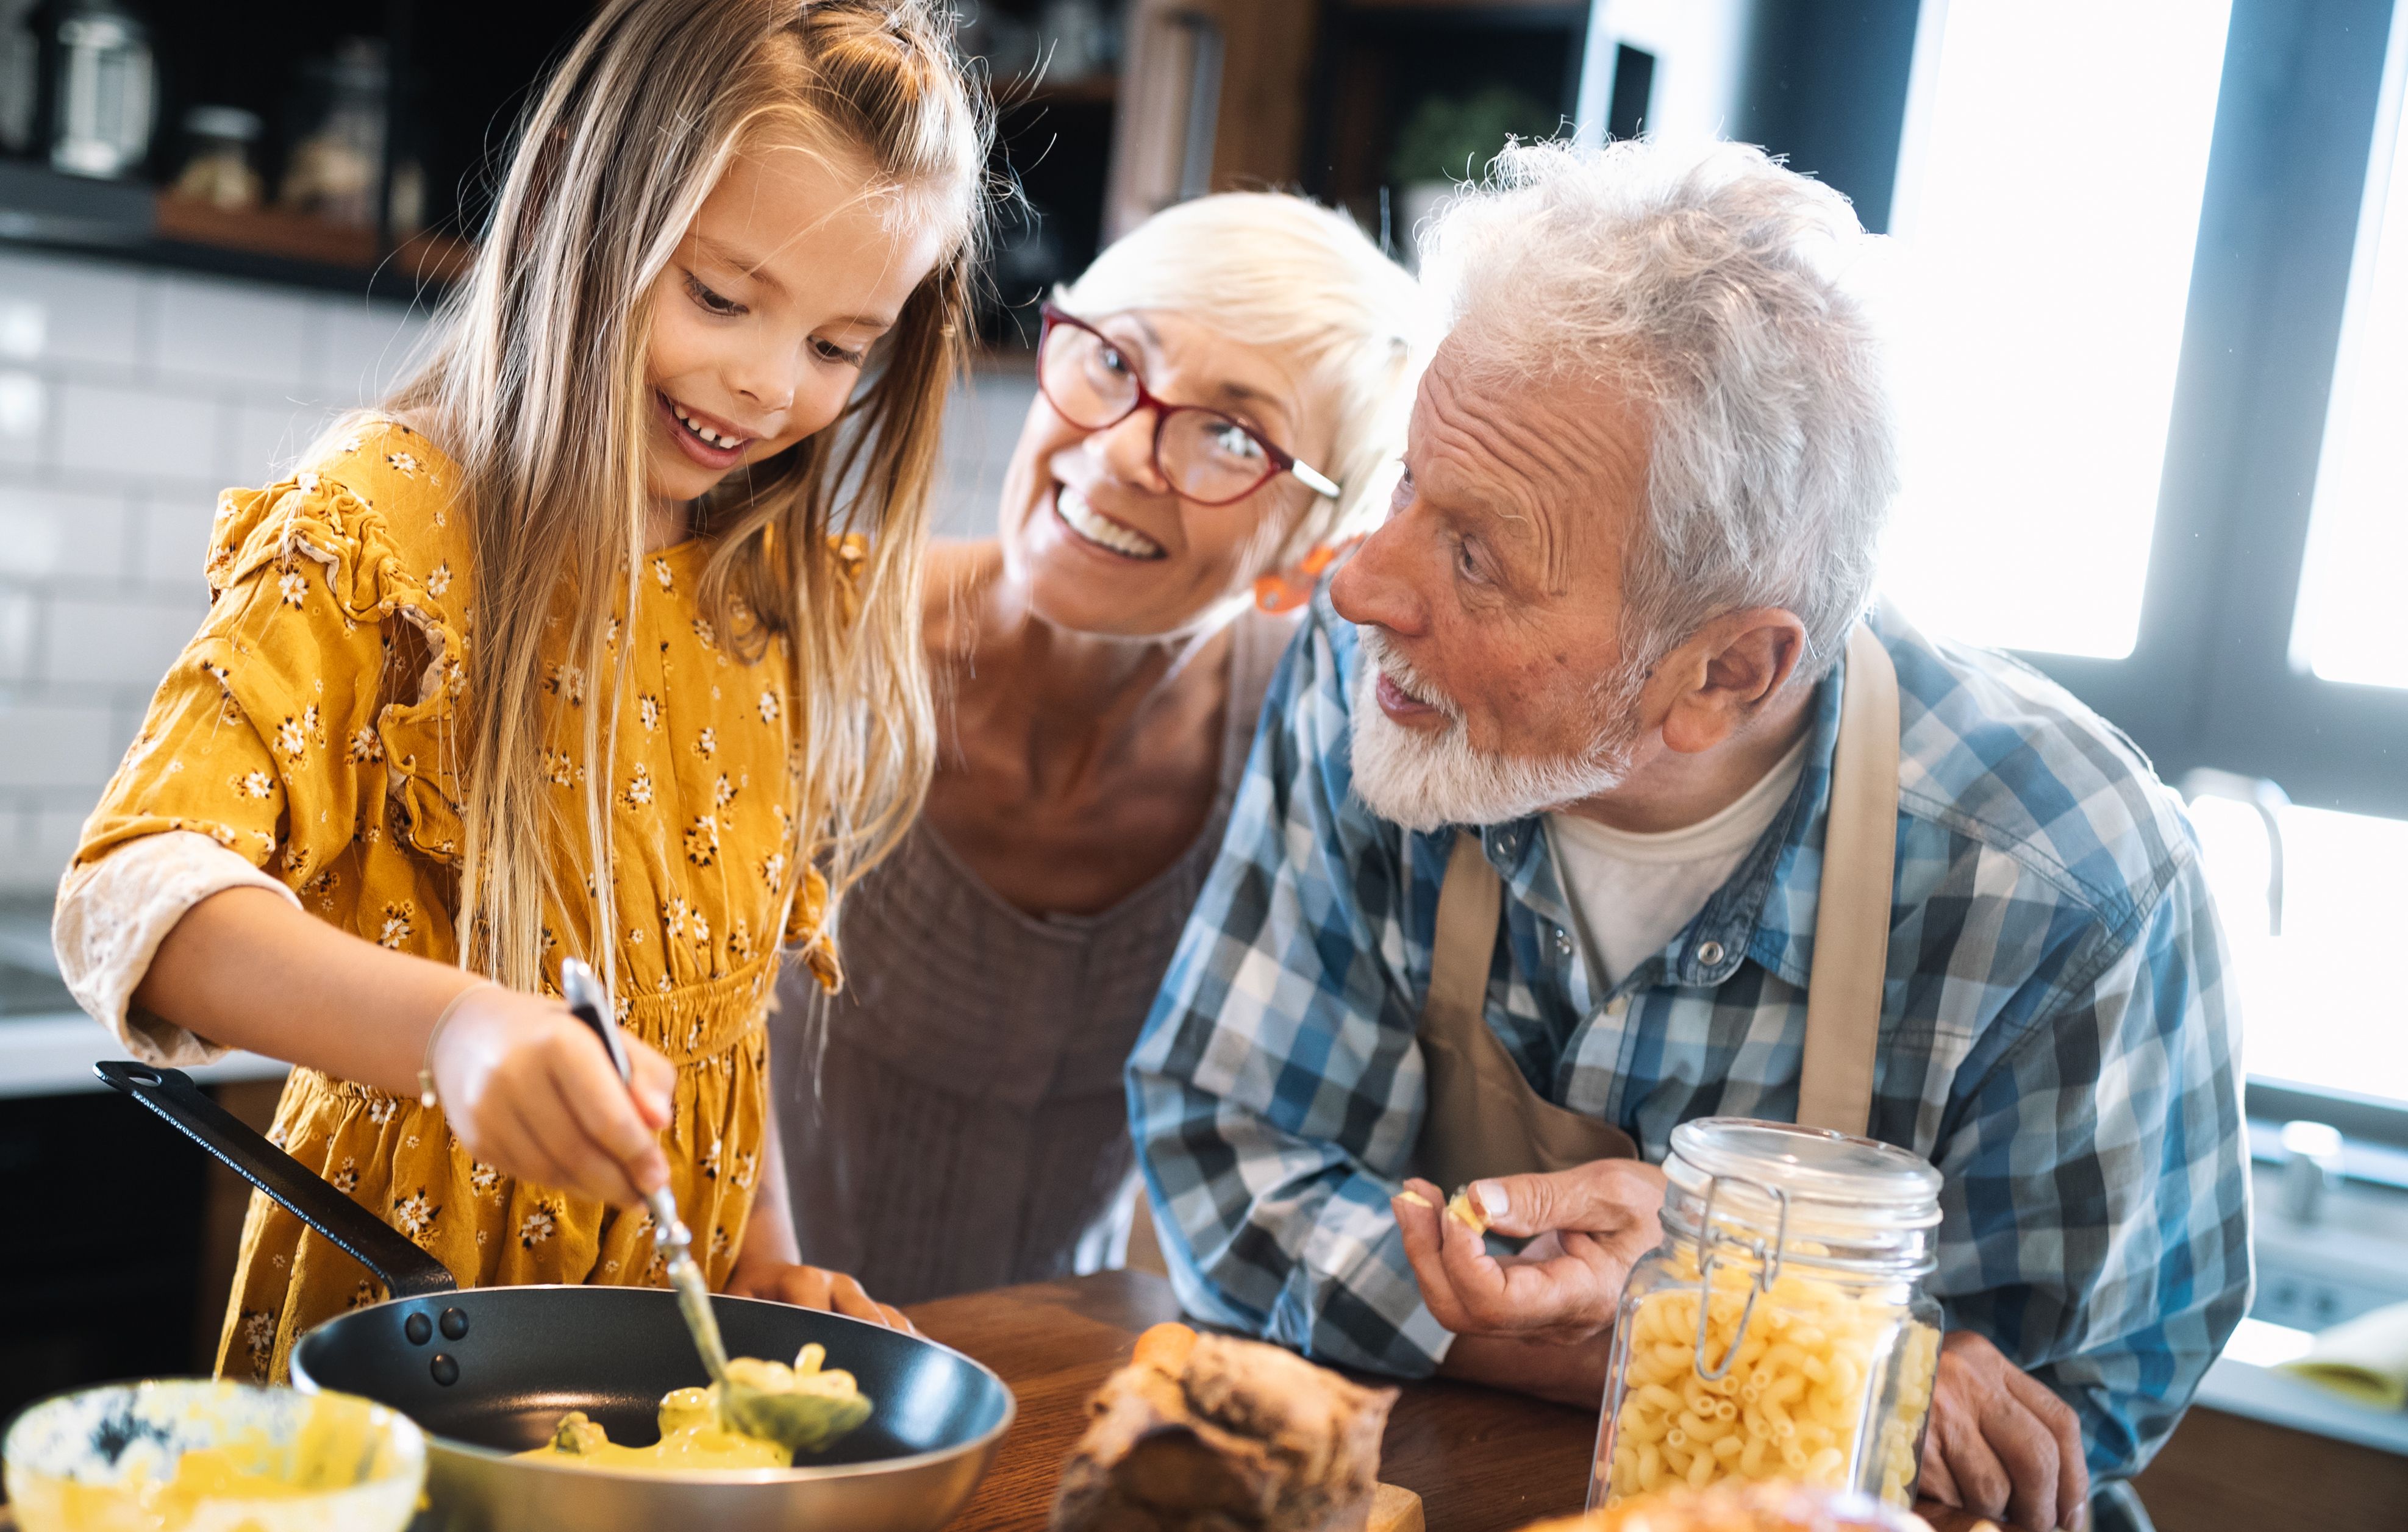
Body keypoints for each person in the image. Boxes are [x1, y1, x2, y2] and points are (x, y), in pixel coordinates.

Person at [1130, 140, 2248, 1532]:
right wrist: (1725, 1346)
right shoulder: (1385, 691)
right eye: (1408, 484)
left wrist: (1686, 1300)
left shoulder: (2061, 880)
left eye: (1476, 551)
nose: (1362, 583)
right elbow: (1226, 1168)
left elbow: (2038, 1439)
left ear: (1725, 673)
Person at [51, 0, 987, 1380]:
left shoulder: (766, 593)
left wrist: (759, 1260)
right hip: (395, 1343)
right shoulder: (387, 525)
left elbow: (717, 1014)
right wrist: (455, 1030)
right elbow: (128, 896)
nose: (764, 380)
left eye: (840, 346)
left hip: (659, 1359)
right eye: (722, 296)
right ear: (573, 211)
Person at [767, 193, 1426, 1303]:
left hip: (1043, 1405)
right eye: (1112, 362)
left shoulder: (1308, 742)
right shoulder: (794, 633)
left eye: (1230, 432)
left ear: (1319, 550)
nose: (1121, 452)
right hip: (720, 1365)